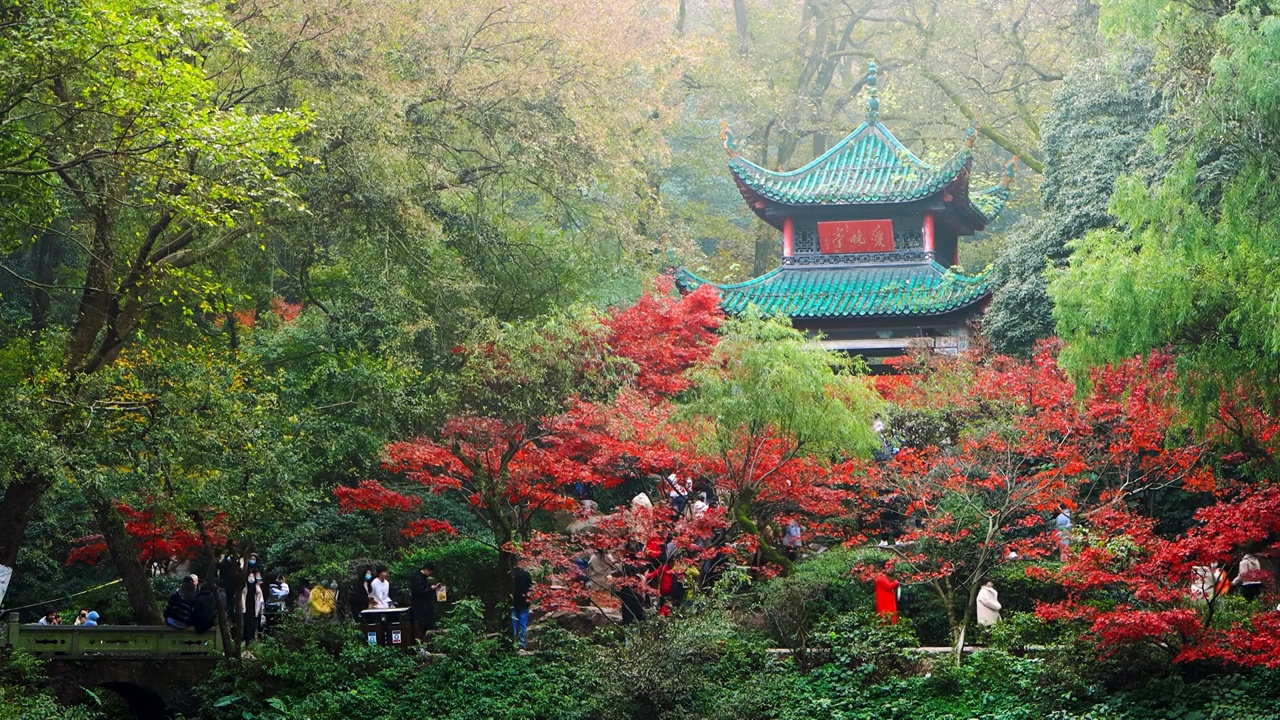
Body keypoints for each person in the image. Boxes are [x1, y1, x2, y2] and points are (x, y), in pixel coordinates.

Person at [409, 563, 441, 637]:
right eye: (429, 572)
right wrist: (430, 589)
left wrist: (433, 588)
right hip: (420, 606)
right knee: (422, 626)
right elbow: (419, 592)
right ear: (426, 570)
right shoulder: (417, 578)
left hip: (425, 605)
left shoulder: (423, 578)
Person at [511, 559, 533, 650]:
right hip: (524, 602)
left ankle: (513, 643)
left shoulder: (511, 575)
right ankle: (522, 644)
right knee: (523, 624)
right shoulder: (526, 575)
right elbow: (530, 588)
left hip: (513, 602)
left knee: (513, 624)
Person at [242, 562, 265, 643]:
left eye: (252, 576)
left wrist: (260, 610)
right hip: (246, 609)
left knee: (253, 624)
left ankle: (251, 639)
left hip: (255, 609)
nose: (251, 578)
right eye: (250, 576)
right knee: (245, 624)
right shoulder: (244, 587)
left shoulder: (257, 588)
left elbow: (261, 600)